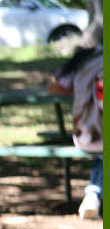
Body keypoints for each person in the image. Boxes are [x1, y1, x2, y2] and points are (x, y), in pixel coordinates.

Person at [47, 44, 103, 219]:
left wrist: (82, 88)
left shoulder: (86, 59)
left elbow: (54, 86)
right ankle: (93, 194)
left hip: (86, 132)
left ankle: (93, 194)